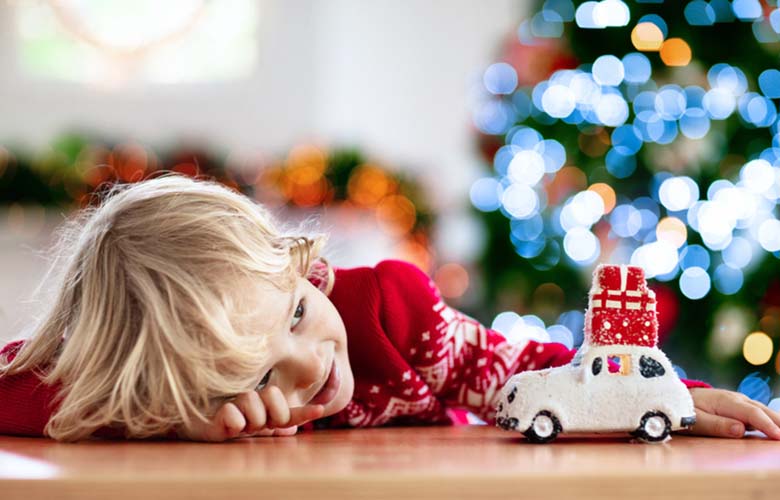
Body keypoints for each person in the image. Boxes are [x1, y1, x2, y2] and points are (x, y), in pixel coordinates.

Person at [1, 175, 778, 442]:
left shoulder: (392, 311)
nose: (312, 365)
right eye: (257, 369)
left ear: (306, 272)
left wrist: (659, 398)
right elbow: (22, 381)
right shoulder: (166, 393)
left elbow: (531, 375)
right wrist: (166, 416)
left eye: (297, 315)